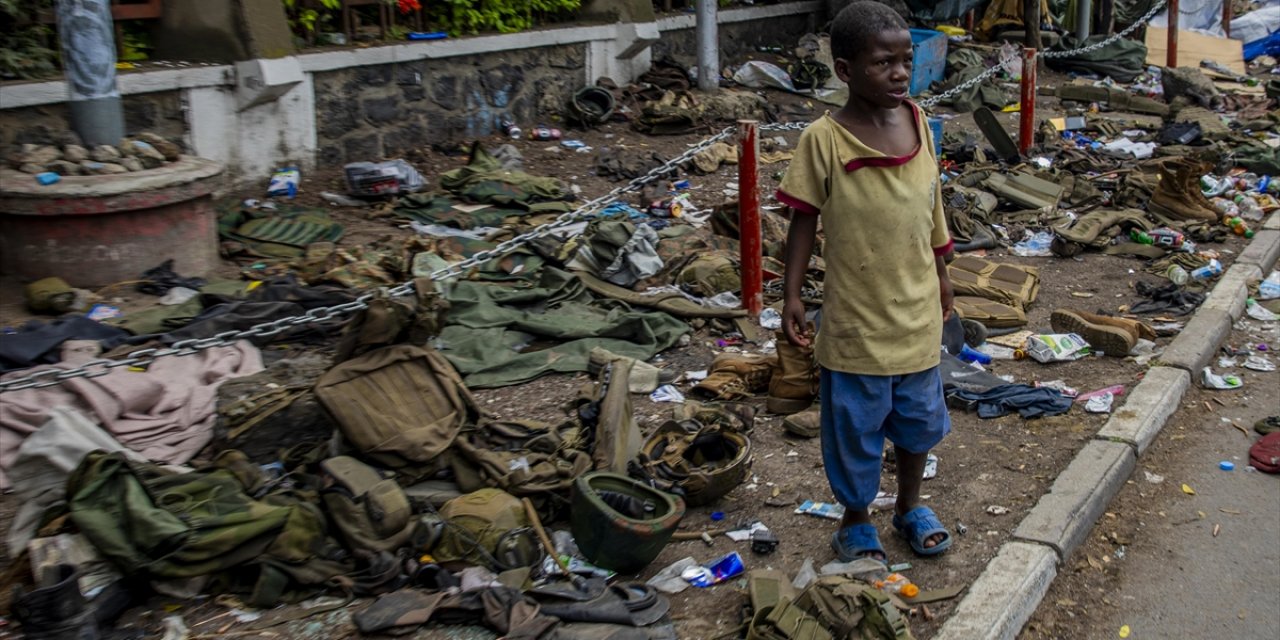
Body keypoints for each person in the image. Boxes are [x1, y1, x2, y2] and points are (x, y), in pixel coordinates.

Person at [775, 0, 955, 561]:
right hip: (854, 322)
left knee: (917, 425)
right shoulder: (824, 140)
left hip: (917, 315)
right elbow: (803, 219)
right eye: (884, 63)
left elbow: (932, 207)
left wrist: (945, 276)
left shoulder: (919, 122)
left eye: (906, 60)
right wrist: (791, 294)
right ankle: (856, 517)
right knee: (854, 429)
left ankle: (908, 505)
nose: (900, 73)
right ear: (846, 70)